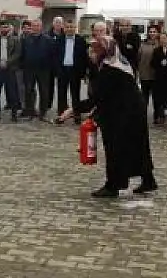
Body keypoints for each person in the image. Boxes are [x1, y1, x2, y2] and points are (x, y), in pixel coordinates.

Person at [57, 36, 156, 198]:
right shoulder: (118, 62)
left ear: (104, 51)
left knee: (115, 147)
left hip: (124, 112)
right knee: (138, 145)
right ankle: (148, 181)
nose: (90, 53)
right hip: (132, 109)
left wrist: (71, 111)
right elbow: (108, 97)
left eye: (94, 50)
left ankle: (113, 186)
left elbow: (97, 98)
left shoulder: (111, 70)